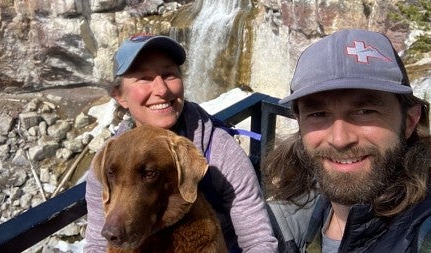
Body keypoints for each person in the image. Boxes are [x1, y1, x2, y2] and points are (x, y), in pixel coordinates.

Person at [83, 34, 278, 252]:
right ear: (119, 95)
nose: (162, 90)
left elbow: (258, 241)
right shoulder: (109, 161)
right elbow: (98, 244)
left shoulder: (220, 151)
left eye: (169, 74)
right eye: (144, 78)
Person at [263, 29, 431, 252]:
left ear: (410, 121)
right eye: (318, 114)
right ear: (299, 123)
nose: (340, 140)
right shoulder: (297, 217)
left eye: (364, 111)